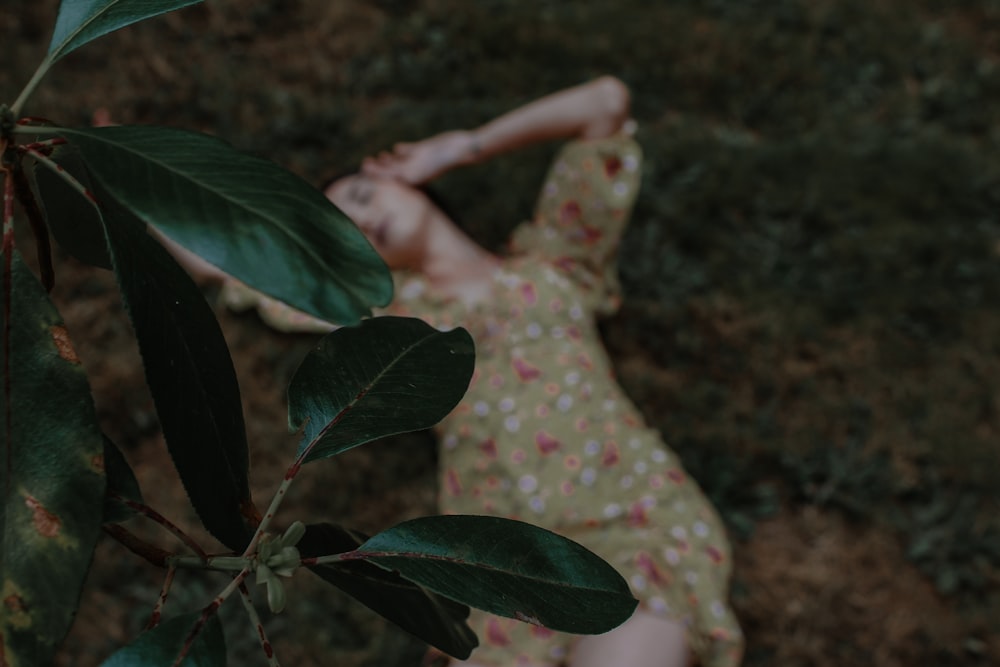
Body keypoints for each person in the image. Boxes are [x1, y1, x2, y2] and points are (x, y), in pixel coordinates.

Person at [191, 77, 744, 667]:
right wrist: (121, 179)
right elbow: (224, 264)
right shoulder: (388, 318)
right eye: (342, 234)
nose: (362, 220)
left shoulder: (557, 264)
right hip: (499, 569)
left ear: (397, 177)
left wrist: (457, 147)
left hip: (630, 522)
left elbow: (605, 103)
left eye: (360, 193)